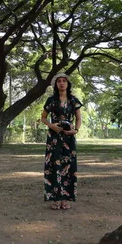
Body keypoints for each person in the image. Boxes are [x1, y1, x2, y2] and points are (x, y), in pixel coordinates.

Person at [41, 73, 83, 210]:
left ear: (68, 84)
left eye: (64, 81)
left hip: (69, 137)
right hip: (53, 137)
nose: (61, 83)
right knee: (54, 166)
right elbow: (43, 117)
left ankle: (65, 198)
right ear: (56, 84)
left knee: (68, 166)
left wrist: (75, 130)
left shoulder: (73, 100)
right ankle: (55, 199)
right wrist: (52, 126)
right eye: (59, 81)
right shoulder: (51, 100)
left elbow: (78, 118)